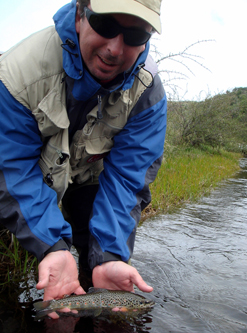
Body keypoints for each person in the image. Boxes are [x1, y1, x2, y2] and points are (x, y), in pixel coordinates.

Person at [0, 0, 167, 318]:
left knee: (100, 257)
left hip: (88, 175)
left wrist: (110, 255)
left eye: (134, 36)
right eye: (105, 25)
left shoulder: (149, 94)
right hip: (33, 172)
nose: (115, 49)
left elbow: (126, 181)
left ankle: (91, 282)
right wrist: (51, 245)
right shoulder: (16, 74)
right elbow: (11, 168)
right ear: (79, 15)